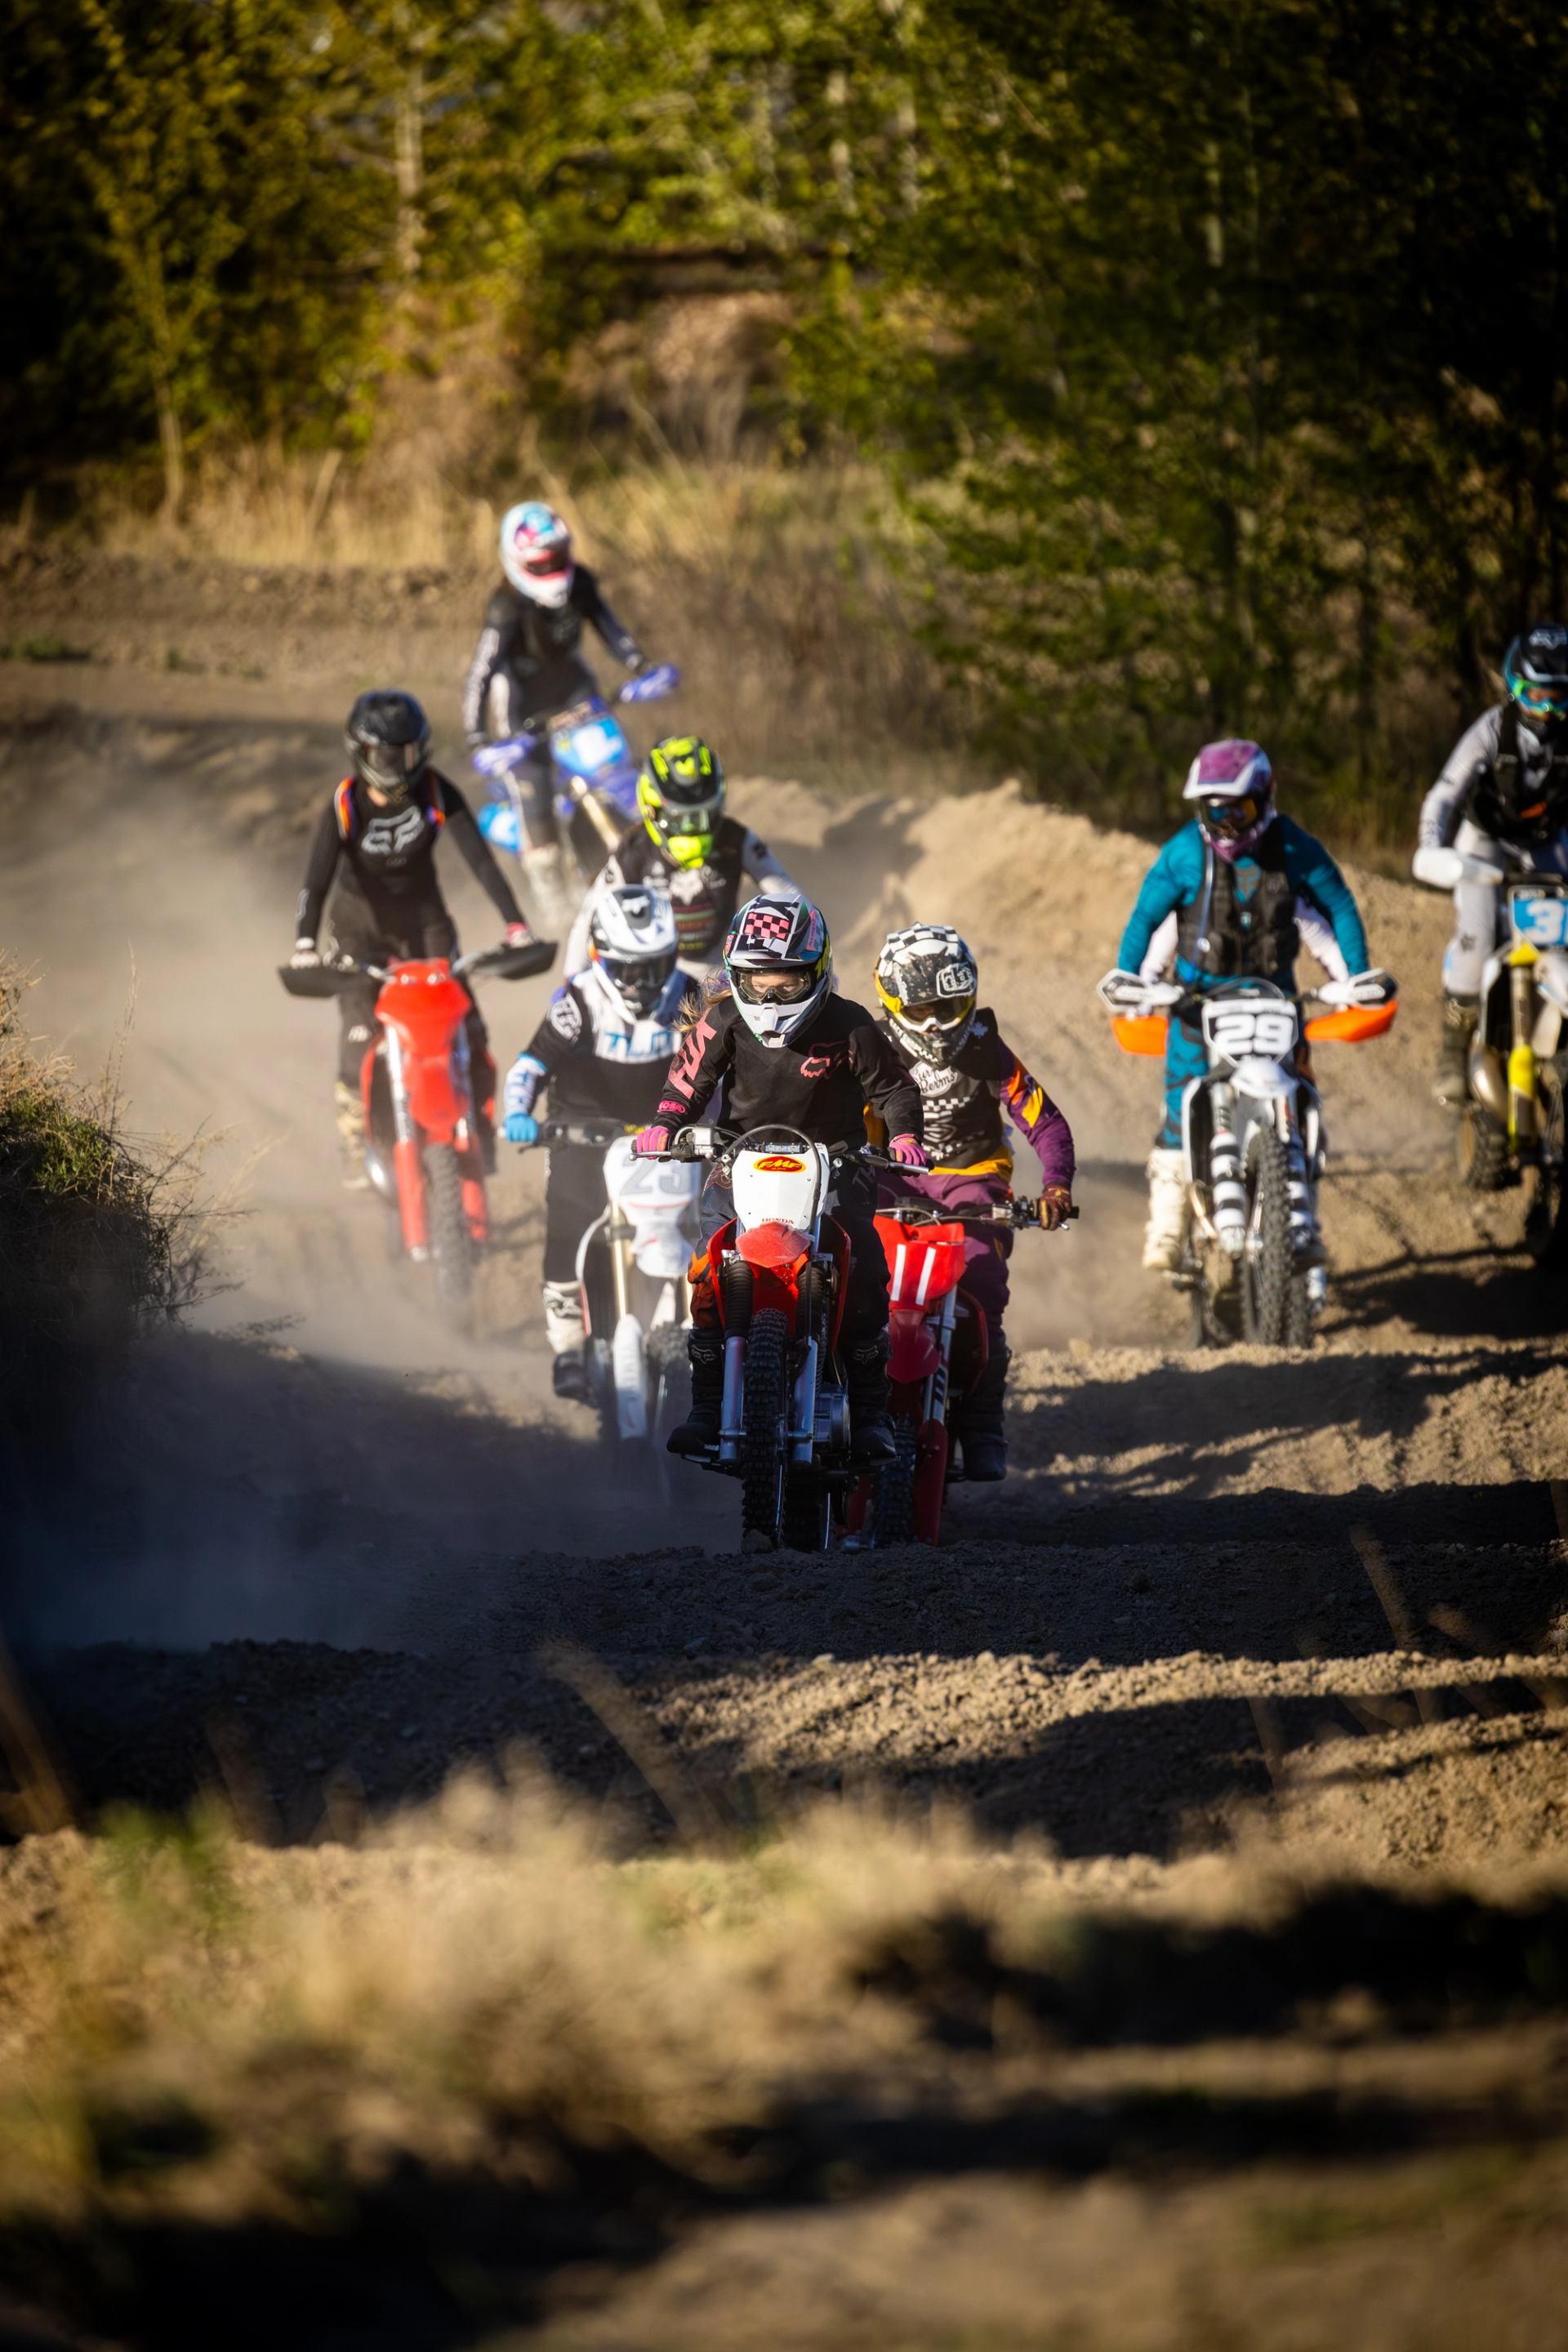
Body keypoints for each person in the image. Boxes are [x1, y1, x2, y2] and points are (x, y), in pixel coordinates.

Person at [633, 893, 926, 1463]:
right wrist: (666, 1126)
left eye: (786, 981)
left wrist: (905, 1136)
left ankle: (869, 1416)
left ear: (817, 971)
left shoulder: (851, 1024)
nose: (769, 994)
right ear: (735, 974)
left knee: (866, 1273)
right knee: (707, 1270)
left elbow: (895, 1089)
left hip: (835, 1164)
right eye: (757, 979)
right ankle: (706, 1407)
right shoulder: (723, 1019)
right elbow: (686, 1085)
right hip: (738, 1160)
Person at [1106, 738, 1371, 1272]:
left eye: (1238, 809)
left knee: (1299, 1105)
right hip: (1197, 1005)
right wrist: (1128, 977)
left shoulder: (1294, 848)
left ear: (1265, 797)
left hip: (1275, 998)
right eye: (1214, 810)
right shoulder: (1184, 853)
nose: (1226, 824)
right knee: (1182, 1104)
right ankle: (1165, 1227)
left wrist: (1358, 977)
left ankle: (1304, 1224)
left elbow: (1336, 907)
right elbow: (1145, 919)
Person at [291, 690, 535, 1185]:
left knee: (467, 1027)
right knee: (359, 1034)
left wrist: (515, 924)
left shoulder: (437, 793)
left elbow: (482, 862)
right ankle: (356, 1138)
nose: (398, 765)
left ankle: (480, 1128)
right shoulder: (345, 803)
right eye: (386, 754)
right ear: (362, 752)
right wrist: (304, 944)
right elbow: (315, 880)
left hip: (426, 924)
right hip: (358, 929)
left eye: (406, 753)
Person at [871, 924, 1076, 1481]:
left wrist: (1056, 1184)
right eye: (924, 1007)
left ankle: (983, 1424)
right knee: (863, 1284)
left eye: (950, 1003)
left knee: (983, 1282)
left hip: (973, 1180)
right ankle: (845, 1405)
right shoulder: (870, 1046)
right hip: (890, 1181)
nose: (937, 1021)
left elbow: (1045, 1121)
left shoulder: (986, 1045)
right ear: (893, 1001)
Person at [501, 884, 688, 1398]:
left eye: (654, 966)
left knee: (713, 1221)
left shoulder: (695, 997)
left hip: (668, 1133)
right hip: (583, 1131)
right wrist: (518, 1110)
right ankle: (567, 1346)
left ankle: (714, 1339)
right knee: (569, 1219)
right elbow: (531, 1064)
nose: (642, 982)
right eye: (628, 968)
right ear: (600, 958)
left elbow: (733, 1065)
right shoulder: (577, 1001)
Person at [1414, 623, 1568, 1107]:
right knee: (1477, 934)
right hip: (1484, 843)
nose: (1546, 709)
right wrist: (1431, 847)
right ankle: (1453, 1050)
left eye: (1558, 698)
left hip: (1547, 844)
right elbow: (1444, 794)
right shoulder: (1489, 731)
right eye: (1536, 695)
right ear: (1513, 688)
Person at [462, 501, 653, 877]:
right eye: (541, 562)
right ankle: (555, 911)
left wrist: (641, 667)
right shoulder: (506, 608)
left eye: (558, 558)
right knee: (539, 818)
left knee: (624, 782)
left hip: (577, 696)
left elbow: (609, 626)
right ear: (516, 560)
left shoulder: (580, 583)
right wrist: (478, 740)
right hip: (521, 716)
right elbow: (479, 675)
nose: (551, 569)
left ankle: (656, 859)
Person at [561, 735, 801, 982]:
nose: (692, 829)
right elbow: (590, 914)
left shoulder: (736, 839)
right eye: (679, 819)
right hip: (660, 979)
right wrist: (573, 979)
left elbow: (786, 895)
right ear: (651, 809)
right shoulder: (634, 851)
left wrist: (809, 958)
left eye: (704, 816)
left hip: (725, 971)